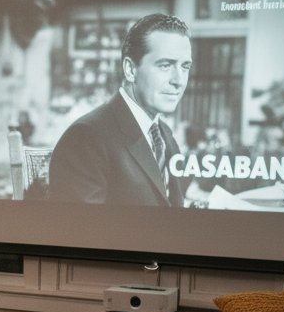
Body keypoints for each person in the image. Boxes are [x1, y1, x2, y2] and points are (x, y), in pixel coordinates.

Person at [45, 13, 191, 207]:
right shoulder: (86, 138)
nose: (179, 80)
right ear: (130, 70)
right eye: (165, 65)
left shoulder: (165, 134)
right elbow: (81, 224)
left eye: (185, 66)